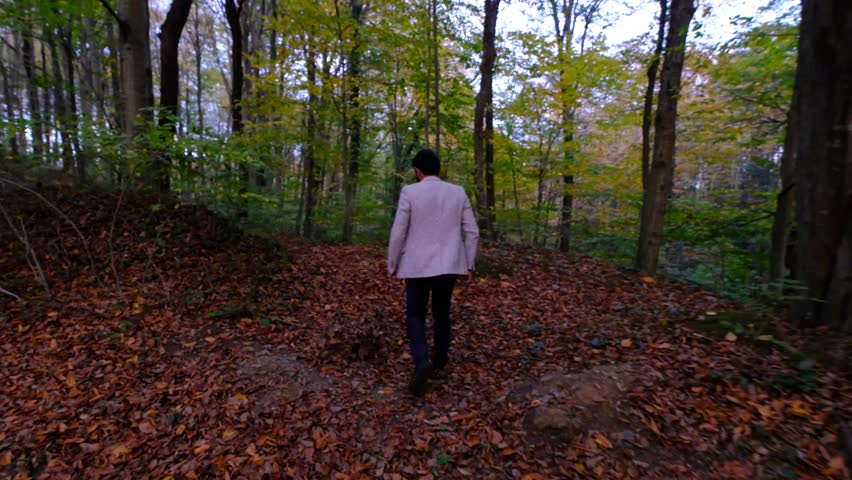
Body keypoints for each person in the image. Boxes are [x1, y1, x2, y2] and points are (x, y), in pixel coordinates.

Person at [387, 149, 479, 395]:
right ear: (439, 169)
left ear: (418, 171)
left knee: (415, 314)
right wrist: (469, 263)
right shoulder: (458, 192)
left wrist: (392, 264)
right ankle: (440, 360)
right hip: (449, 265)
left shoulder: (410, 192)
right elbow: (472, 231)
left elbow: (398, 231)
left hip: (416, 265)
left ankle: (421, 360)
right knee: (441, 313)